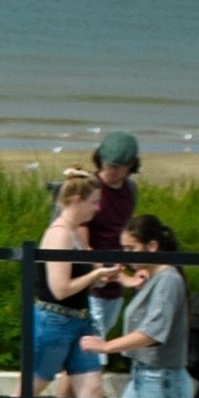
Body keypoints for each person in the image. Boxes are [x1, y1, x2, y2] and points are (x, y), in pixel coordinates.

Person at [0, 170, 124, 398]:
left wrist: (108, 273)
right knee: (29, 390)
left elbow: (82, 273)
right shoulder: (58, 234)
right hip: (54, 321)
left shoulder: (74, 232)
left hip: (79, 321)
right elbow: (61, 288)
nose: (97, 209)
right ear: (76, 200)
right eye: (94, 202)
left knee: (93, 390)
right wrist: (95, 277)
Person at [83, 215, 192, 398]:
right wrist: (125, 278)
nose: (126, 256)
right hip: (143, 377)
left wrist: (106, 346)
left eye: (131, 250)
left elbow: (153, 333)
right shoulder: (154, 278)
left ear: (152, 246)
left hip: (162, 380)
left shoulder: (169, 280)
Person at [86, 133, 139, 342]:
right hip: (90, 280)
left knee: (99, 340)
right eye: (107, 165)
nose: (111, 172)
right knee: (91, 345)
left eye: (118, 168)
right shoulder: (90, 186)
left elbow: (126, 233)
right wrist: (96, 269)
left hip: (115, 279)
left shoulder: (130, 189)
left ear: (130, 166)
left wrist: (129, 270)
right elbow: (79, 237)